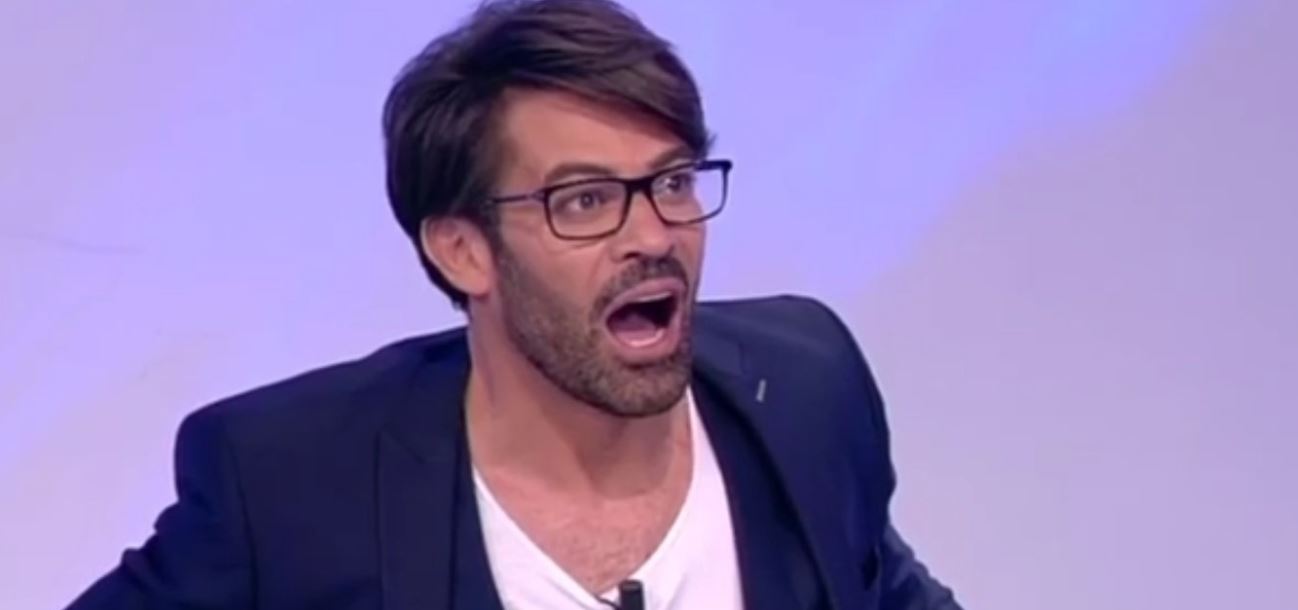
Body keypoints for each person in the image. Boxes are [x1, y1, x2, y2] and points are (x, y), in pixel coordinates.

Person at [67, 0, 962, 608]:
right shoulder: (291, 483)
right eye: (585, 200)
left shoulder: (803, 386)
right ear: (462, 249)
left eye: (673, 182)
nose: (654, 235)